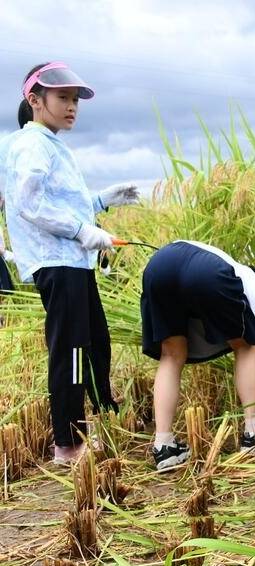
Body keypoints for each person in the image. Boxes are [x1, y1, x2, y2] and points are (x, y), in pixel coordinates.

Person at [0, 62, 140, 464]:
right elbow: (30, 204)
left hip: (73, 264)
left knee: (95, 342)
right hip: (57, 264)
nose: (72, 106)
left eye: (75, 99)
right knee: (72, 351)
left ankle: (102, 419)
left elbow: (62, 201)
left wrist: (101, 201)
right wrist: (83, 231)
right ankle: (68, 442)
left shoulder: (52, 144)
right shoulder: (33, 145)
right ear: (34, 100)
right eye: (62, 97)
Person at [140, 240, 255, 471]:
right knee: (246, 346)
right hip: (204, 269)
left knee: (172, 354)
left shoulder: (250, 281)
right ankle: (254, 434)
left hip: (160, 264)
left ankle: (164, 446)